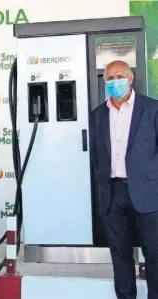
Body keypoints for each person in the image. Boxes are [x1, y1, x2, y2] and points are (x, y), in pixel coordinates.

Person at [90, 60, 158, 299]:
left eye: (120, 76)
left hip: (148, 194)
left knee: (155, 255)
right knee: (120, 257)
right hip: (113, 194)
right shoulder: (98, 115)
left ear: (130, 79)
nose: (115, 81)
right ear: (105, 82)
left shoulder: (152, 109)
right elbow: (97, 158)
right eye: (110, 78)